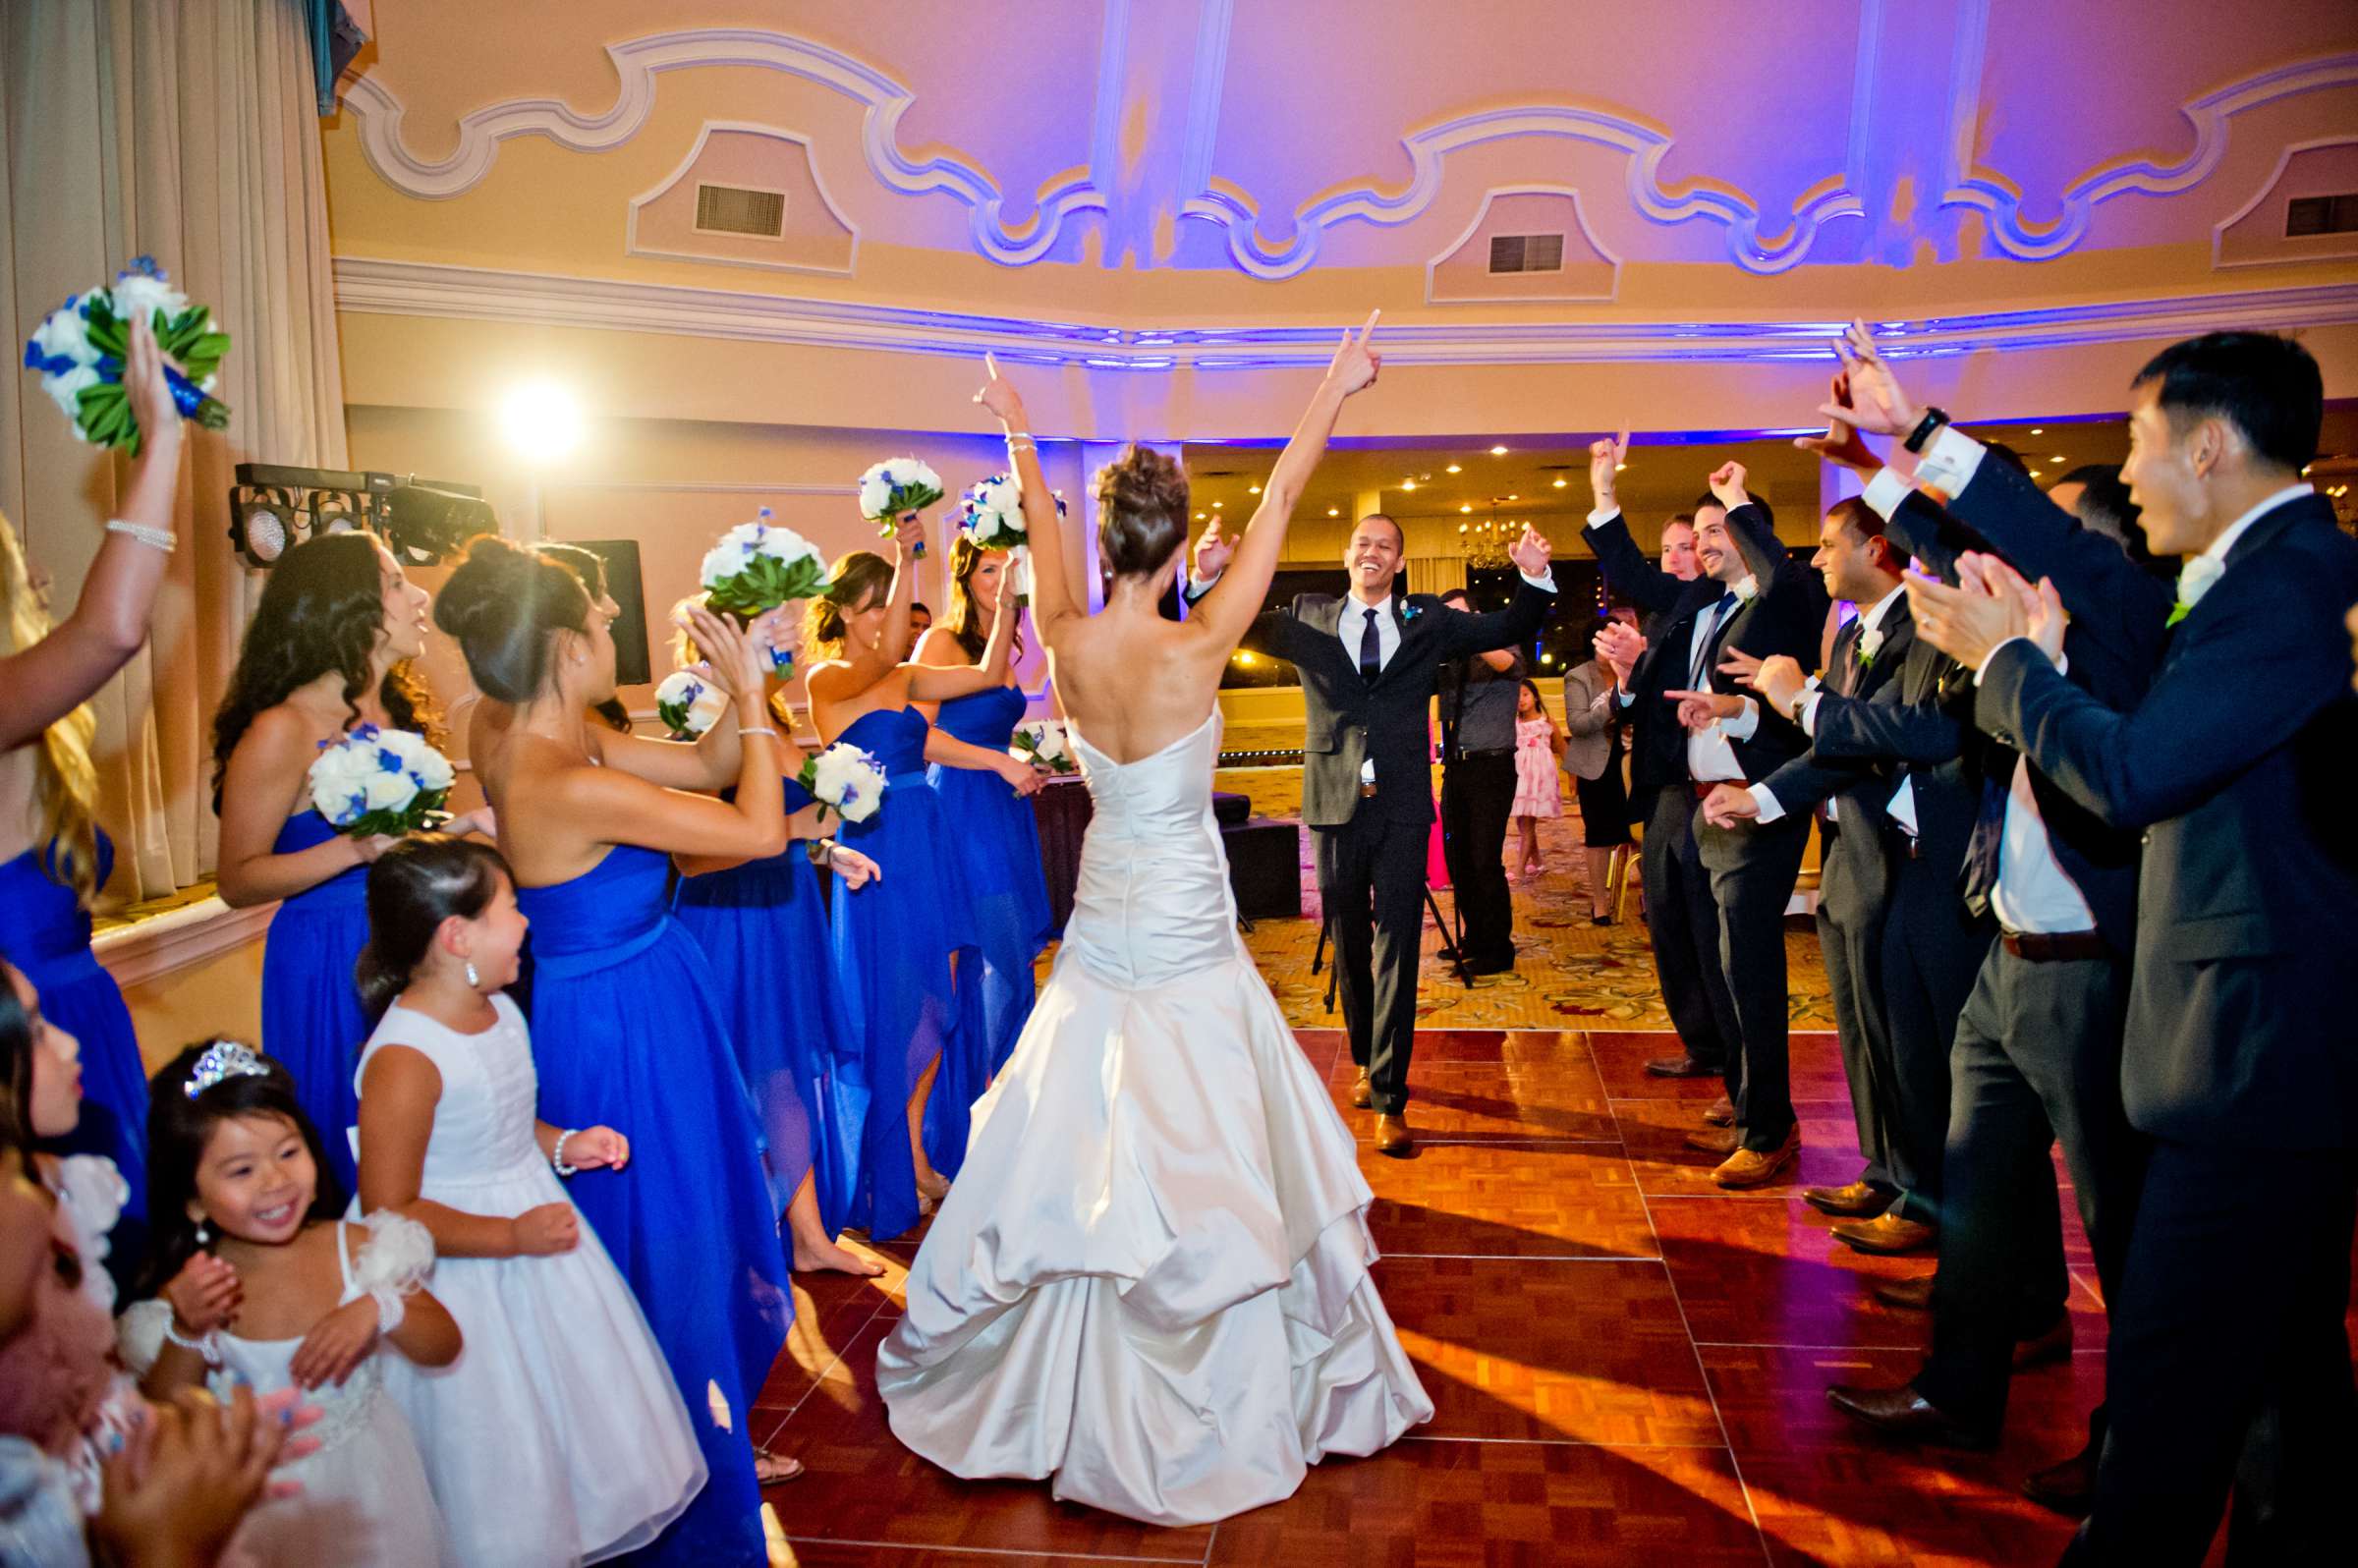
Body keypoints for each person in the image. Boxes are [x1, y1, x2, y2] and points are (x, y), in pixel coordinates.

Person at [877, 326, 1432, 1526]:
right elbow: (1287, 490)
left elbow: (1038, 532)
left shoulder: (1068, 640)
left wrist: (1016, 423)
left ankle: (1057, 1369)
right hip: (1184, 924)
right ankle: (1231, 1365)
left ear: (1103, 543)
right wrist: (1332, 379)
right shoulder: (1200, 642)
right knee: (1213, 1134)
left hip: (1106, 917)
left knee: (1083, 1126)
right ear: (1177, 544)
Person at [1852, 325, 2358, 1564]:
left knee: (2177, 1389)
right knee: (2286, 1381)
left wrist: (2013, 664)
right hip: (2255, 1055)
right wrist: (1916, 434)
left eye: (2138, 442)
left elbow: (2132, 774)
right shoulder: (2249, 577)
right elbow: (2082, 558)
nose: (2127, 476)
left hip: (2245, 1056)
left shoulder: (2290, 589)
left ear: (2210, 442)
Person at [435, 537, 799, 1558]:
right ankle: (674, 1482)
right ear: (560, 642)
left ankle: (688, 1434)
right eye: (599, 620)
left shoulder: (507, 723)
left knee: (658, 1228)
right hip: (621, 1027)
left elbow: (706, 765)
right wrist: (762, 704)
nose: (611, 630)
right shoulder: (565, 775)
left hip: (631, 998)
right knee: (665, 1239)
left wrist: (745, 685)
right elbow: (757, 829)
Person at [352, 835, 705, 1567]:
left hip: (536, 1243)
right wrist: (510, 1234)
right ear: (458, 935)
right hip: (459, 1277)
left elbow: (501, 1123)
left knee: (566, 1434)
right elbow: (389, 1212)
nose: (527, 922)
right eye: (512, 907)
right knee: (494, 1460)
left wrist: (563, 1144)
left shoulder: (497, 1008)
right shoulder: (405, 1055)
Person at [1191, 504, 1555, 1157]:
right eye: (1364, 543)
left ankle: (1391, 1093)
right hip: (1333, 802)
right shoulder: (1307, 616)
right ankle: (1365, 1056)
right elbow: (1225, 621)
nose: (1374, 552)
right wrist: (1209, 579)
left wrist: (1534, 578)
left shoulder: (1429, 621)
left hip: (1403, 804)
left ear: (1400, 561)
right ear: (1348, 556)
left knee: (1398, 943)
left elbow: (1512, 625)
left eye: (1386, 545)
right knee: (1348, 938)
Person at [1585, 441, 1830, 1186]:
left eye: (1715, 532)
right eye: (1697, 536)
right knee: (1723, 965)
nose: (1700, 545)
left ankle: (1768, 1128)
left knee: (1750, 970)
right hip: (1702, 807)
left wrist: (1740, 500)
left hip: (1759, 806)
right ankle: (1747, 1106)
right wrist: (1602, 489)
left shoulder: (1782, 599)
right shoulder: (1705, 603)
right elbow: (1630, 573)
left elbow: (1783, 574)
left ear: (1749, 537)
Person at [211, 533, 482, 1193]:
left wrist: (461, 830)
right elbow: (237, 879)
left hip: (409, 934)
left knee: (435, 1124)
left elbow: (397, 843)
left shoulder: (395, 710)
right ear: (344, 605)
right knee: (357, 1131)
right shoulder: (282, 727)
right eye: (395, 583)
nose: (419, 596)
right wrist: (351, 849)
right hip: (331, 956)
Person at [123, 1041, 461, 1568]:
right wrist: (188, 1331)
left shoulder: (358, 1247)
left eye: (287, 1153)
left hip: (373, 1493)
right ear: (192, 1200)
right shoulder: (189, 1295)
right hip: (256, 1512)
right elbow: (162, 1422)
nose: (276, 1181)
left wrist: (381, 1307)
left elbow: (444, 1346)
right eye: (241, 1171)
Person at [0, 317, 186, 1232]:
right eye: (12, 563)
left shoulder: (34, 732)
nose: (36, 570)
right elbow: (111, 630)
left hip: (85, 1035)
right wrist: (163, 444)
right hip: (15, 1064)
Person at [1703, 496, 1928, 1246]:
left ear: (1878, 550)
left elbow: (1873, 739)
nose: (1821, 558)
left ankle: (1923, 1196)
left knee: (1904, 1032)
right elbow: (1829, 749)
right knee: (1862, 1025)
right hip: (1850, 855)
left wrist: (1797, 699)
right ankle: (1888, 1169)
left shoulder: (1917, 630)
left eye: (1832, 545)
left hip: (1901, 859)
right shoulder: (1851, 638)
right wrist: (1762, 797)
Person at [805, 536, 1012, 1239]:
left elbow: (987, 673)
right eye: (872, 610)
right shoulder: (827, 680)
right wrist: (904, 551)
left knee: (945, 990)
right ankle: (902, 1158)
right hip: (879, 847)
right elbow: (883, 653)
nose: (887, 626)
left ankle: (919, 1143)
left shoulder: (907, 676)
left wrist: (1009, 589)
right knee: (898, 998)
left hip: (929, 834)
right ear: (843, 614)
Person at [668, 611, 881, 1276]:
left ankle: (810, 1238)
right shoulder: (696, 707)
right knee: (740, 1075)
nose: (784, 645)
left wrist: (825, 850)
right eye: (768, 632)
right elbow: (692, 850)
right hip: (730, 918)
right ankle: (739, 1232)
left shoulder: (773, 714)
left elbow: (785, 817)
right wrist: (797, 830)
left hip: (786, 913)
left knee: (789, 1071)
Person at [914, 536, 1053, 1174]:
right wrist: (997, 760)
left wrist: (1017, 760)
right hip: (963, 812)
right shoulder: (940, 642)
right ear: (964, 577)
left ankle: (1013, 1105)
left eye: (1009, 569)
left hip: (1002, 808)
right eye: (989, 569)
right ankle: (985, 1112)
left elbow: (994, 716)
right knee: (995, 962)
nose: (1001, 579)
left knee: (1017, 956)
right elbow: (918, 737)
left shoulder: (1002, 642)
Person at [1432, 588, 1524, 970]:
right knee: (1459, 860)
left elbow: (1509, 665)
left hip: (1492, 766)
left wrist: (1470, 632)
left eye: (1459, 616)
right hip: (1456, 765)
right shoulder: (1450, 658)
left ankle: (1497, 948)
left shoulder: (1500, 641)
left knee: (1484, 859)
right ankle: (1474, 936)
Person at [1560, 611, 1632, 924]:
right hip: (1596, 764)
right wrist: (1614, 702)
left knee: (1638, 832)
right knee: (1600, 835)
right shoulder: (1579, 676)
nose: (1614, 648)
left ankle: (1647, 898)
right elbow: (1578, 725)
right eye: (1608, 642)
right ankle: (1600, 902)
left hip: (1634, 761)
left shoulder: (1634, 672)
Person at [1507, 677, 1564, 879]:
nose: (1521, 700)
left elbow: (1562, 747)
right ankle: (1538, 862)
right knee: (1522, 822)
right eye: (1517, 696)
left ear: (1536, 697)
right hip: (1521, 776)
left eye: (1525, 695)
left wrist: (1573, 775)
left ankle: (1520, 868)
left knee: (1527, 823)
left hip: (1538, 777)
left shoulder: (1545, 721)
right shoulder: (1514, 723)